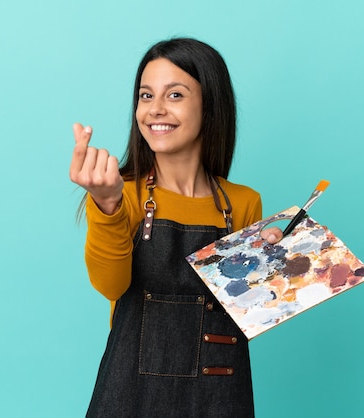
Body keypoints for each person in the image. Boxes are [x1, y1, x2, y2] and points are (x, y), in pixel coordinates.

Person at [70, 37, 282, 417]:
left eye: (175, 95)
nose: (155, 110)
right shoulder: (122, 193)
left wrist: (280, 266)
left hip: (219, 398)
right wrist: (106, 205)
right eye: (146, 95)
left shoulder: (244, 203)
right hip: (130, 398)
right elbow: (110, 286)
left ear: (210, 105)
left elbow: (251, 315)